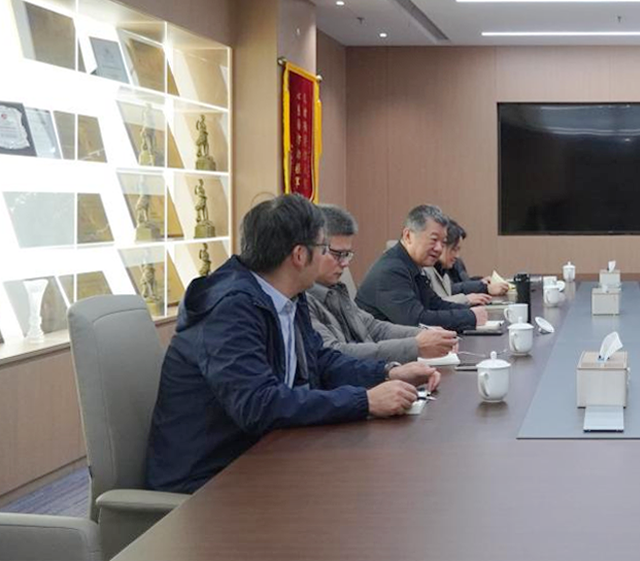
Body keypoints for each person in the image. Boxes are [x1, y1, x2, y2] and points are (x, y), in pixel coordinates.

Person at [146, 194, 438, 494]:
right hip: (208, 483)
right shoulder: (231, 309)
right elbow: (258, 404)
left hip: (264, 455)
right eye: (323, 249)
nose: (329, 259)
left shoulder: (287, 295)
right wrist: (364, 401)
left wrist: (387, 373)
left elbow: (320, 360)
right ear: (300, 255)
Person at [310, 204, 459, 361]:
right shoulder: (302, 300)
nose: (345, 263)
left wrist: (422, 334)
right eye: (337, 254)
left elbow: (373, 327)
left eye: (347, 254)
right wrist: (415, 346)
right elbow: (334, 354)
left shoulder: (336, 289)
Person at [355, 204, 487, 332]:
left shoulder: (412, 264)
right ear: (408, 236)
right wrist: (469, 317)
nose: (439, 248)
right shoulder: (391, 270)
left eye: (443, 242)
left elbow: (435, 304)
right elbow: (417, 320)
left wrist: (470, 312)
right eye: (434, 239)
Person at [425, 220, 493, 305]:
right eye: (454, 249)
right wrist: (466, 299)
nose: (457, 256)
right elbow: (432, 306)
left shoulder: (444, 273)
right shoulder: (425, 272)